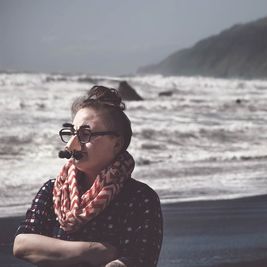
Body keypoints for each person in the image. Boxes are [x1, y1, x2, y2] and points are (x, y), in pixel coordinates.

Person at [13, 85, 163, 267]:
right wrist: (92, 251)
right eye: (72, 133)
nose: (72, 145)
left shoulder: (140, 198)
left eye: (85, 134)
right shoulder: (52, 190)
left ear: (116, 144)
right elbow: (22, 244)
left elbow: (140, 260)